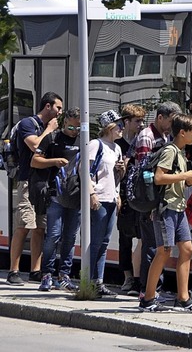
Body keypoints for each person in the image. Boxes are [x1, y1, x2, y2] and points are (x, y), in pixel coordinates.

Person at [138, 113, 192, 312]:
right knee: (164, 251)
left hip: (178, 207)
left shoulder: (180, 151)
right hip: (166, 207)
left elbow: (173, 178)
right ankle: (148, 298)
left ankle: (183, 298)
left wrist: (187, 179)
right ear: (182, 132)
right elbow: (159, 178)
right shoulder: (170, 150)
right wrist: (185, 176)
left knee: (187, 249)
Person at [6, 91, 63, 286]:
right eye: (58, 108)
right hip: (27, 181)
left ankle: (35, 270)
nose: (59, 112)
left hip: (43, 184)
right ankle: (13, 270)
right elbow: (34, 145)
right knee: (24, 226)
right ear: (47, 106)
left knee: (40, 228)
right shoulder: (27, 124)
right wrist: (48, 130)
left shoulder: (51, 127)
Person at [134, 101, 182, 302]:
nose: (172, 125)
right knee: (152, 245)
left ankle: (155, 290)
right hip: (150, 197)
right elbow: (145, 169)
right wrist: (151, 202)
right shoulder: (147, 135)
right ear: (160, 117)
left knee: (158, 245)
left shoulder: (164, 135)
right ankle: (149, 291)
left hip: (159, 196)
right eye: (170, 121)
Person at [32, 108, 81, 292]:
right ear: (65, 121)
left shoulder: (83, 140)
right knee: (53, 235)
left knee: (70, 237)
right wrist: (54, 161)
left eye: (78, 127)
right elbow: (35, 161)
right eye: (71, 126)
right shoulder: (52, 138)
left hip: (76, 196)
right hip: (56, 193)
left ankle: (64, 275)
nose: (74, 131)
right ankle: (46, 274)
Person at [88, 109, 126, 297]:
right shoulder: (96, 145)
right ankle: (90, 281)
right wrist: (91, 193)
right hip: (100, 197)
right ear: (109, 127)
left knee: (104, 242)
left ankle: (99, 282)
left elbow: (116, 176)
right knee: (96, 241)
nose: (122, 129)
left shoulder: (117, 148)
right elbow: (84, 170)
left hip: (111, 197)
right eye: (119, 125)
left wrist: (121, 171)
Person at [115, 104, 147, 296]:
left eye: (142, 121)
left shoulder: (140, 140)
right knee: (125, 237)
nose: (141, 125)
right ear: (126, 121)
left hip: (137, 193)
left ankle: (138, 276)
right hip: (123, 194)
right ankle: (127, 276)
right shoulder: (118, 143)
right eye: (137, 121)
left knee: (142, 235)